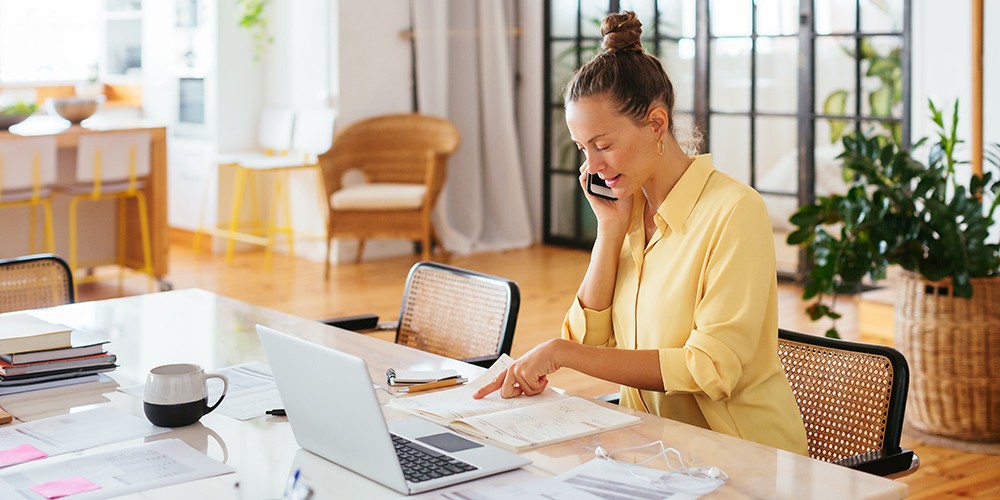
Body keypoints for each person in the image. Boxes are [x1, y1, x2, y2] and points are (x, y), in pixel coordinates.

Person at [474, 11, 809, 455]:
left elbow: (709, 367)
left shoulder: (735, 211)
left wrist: (561, 353)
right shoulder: (627, 212)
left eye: (604, 144)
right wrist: (610, 230)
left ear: (656, 123)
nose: (591, 166)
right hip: (649, 451)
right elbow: (588, 339)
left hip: (741, 457)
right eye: (582, 148)